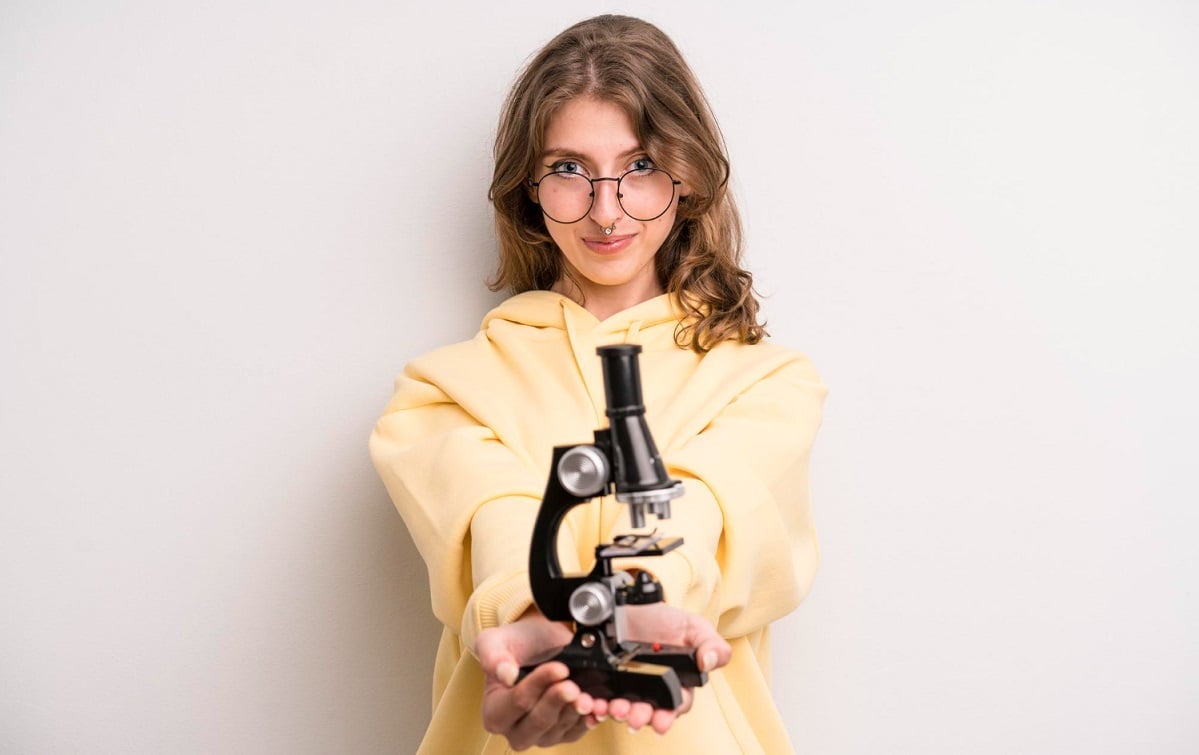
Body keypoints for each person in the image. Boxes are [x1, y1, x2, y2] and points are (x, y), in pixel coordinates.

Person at [369, 14, 826, 753]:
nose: (606, 210)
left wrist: (643, 602)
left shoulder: (767, 385)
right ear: (528, 188)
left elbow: (707, 511)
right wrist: (536, 627)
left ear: (688, 177)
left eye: (639, 166)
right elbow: (497, 523)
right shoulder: (441, 392)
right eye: (569, 169)